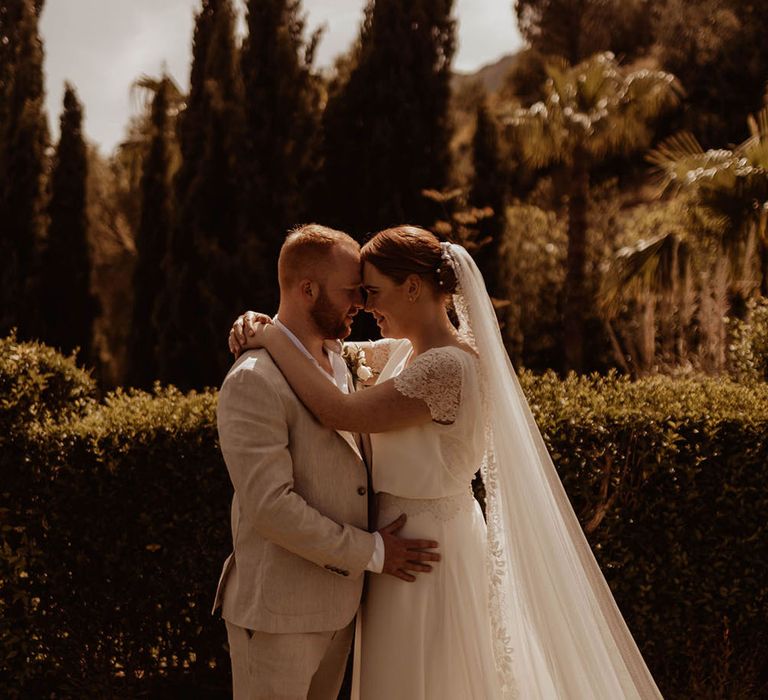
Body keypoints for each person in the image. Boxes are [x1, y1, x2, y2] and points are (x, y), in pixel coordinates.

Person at [231, 225, 663, 699]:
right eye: (358, 293)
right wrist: (265, 323)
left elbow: (339, 411)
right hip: (398, 551)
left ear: (412, 288)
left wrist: (269, 338)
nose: (365, 305)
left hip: (424, 552)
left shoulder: (446, 368)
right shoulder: (404, 353)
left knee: (432, 678)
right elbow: (324, 350)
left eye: (372, 292)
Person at [213, 224, 440, 700]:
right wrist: (373, 552)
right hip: (278, 615)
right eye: (350, 292)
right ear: (307, 289)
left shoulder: (344, 359)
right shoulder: (253, 379)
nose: (361, 302)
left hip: (340, 612)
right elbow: (271, 507)